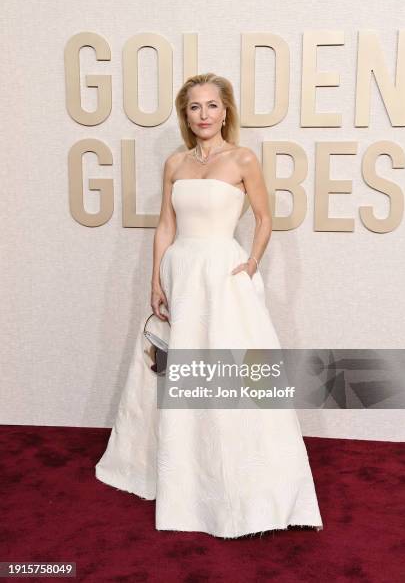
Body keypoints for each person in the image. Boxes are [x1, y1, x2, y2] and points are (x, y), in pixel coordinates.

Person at [95, 72, 323, 538]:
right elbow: (164, 226)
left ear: (225, 111)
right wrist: (155, 280)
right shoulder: (175, 163)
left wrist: (253, 262)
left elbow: (264, 218)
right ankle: (186, 476)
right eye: (194, 107)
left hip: (224, 274)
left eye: (212, 106)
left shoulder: (242, 158)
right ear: (187, 114)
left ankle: (243, 483)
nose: (204, 115)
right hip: (182, 273)